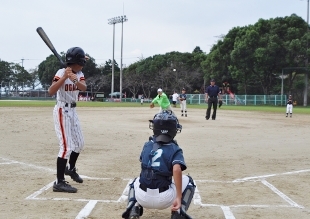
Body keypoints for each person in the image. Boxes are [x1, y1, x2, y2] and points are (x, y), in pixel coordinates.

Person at [122, 111, 196, 219]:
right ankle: (178, 212)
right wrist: (178, 197)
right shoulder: (175, 148)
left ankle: (134, 208)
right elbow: (176, 170)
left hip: (142, 197)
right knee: (189, 181)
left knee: (135, 181)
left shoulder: (147, 145)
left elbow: (143, 161)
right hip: (164, 198)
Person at [48, 47, 88, 193]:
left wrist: (75, 79)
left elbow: (83, 87)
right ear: (77, 61)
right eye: (82, 62)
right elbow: (51, 91)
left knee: (79, 144)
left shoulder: (79, 73)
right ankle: (59, 182)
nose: (83, 65)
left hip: (73, 111)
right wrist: (65, 77)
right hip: (61, 110)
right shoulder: (61, 72)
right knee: (66, 147)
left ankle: (70, 169)